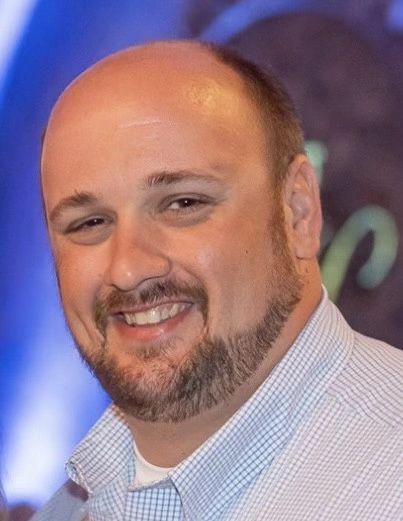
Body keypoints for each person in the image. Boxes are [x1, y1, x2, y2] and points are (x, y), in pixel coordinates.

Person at [32, 40, 403, 520]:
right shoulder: (73, 504)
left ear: (298, 212)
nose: (127, 268)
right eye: (89, 223)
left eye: (183, 204)